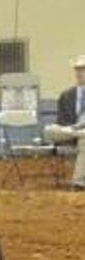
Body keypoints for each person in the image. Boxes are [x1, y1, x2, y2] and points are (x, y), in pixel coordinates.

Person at [45, 55, 85, 190]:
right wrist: (72, 130)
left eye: (83, 69)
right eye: (78, 70)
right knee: (50, 130)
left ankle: (79, 182)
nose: (80, 73)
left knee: (84, 139)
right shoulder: (66, 95)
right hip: (68, 132)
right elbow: (60, 121)